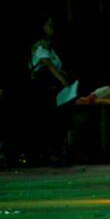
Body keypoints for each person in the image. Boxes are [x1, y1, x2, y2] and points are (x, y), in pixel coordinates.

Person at [28, 14, 71, 165]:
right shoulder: (41, 45)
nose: (51, 28)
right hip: (42, 88)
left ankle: (55, 152)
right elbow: (46, 63)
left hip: (51, 89)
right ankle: (49, 154)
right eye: (49, 25)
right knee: (48, 120)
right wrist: (61, 79)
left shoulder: (50, 46)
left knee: (54, 120)